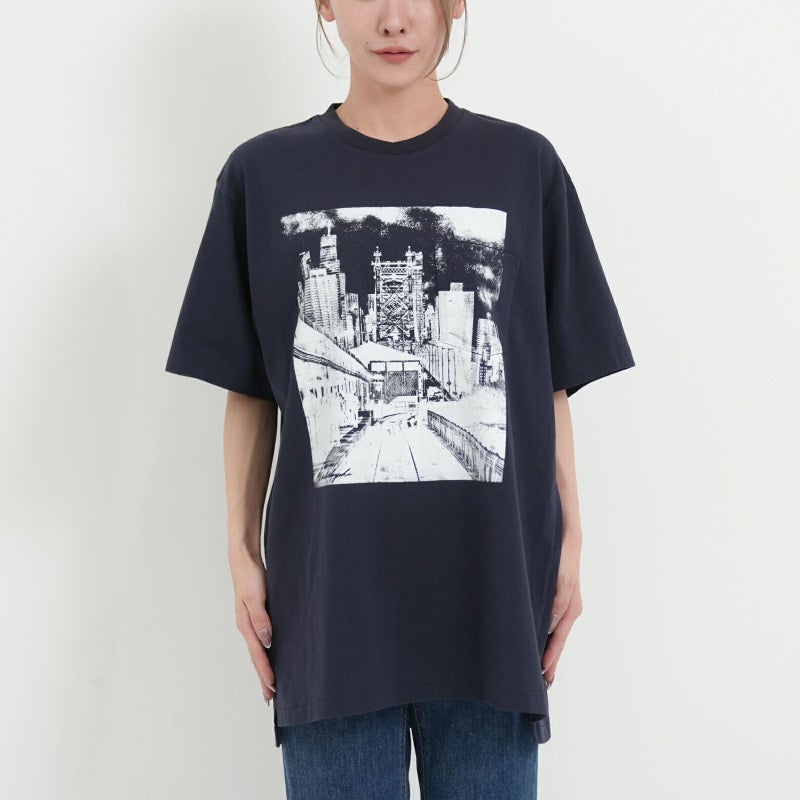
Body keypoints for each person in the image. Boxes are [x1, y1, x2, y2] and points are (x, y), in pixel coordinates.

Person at [164, 1, 636, 797]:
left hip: (492, 598)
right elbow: (252, 387)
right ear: (326, 5)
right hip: (329, 609)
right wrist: (241, 552)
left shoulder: (524, 166)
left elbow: (545, 374)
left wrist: (573, 540)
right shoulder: (262, 175)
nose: (394, 19)